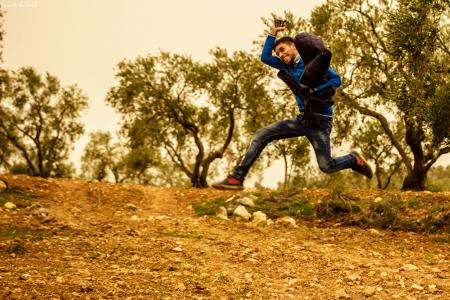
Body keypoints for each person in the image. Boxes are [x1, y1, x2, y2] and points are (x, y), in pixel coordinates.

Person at [212, 20, 373, 190]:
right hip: (303, 120)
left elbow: (336, 79)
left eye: (282, 50)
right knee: (262, 134)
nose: (280, 55)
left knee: (327, 166)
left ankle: (353, 159)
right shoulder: (285, 66)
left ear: (294, 47)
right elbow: (265, 57)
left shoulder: (312, 60)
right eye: (278, 53)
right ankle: (237, 178)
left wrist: (315, 90)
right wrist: (273, 32)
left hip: (320, 122)